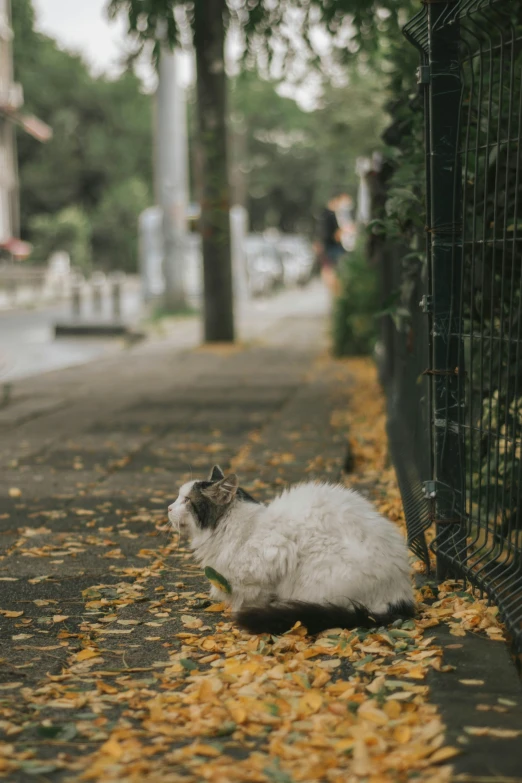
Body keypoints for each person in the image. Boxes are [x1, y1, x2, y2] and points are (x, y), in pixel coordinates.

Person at [319, 194, 344, 294]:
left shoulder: (323, 215)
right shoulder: (332, 215)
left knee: (329, 267)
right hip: (334, 246)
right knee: (337, 268)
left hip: (327, 246)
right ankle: (337, 289)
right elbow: (336, 234)